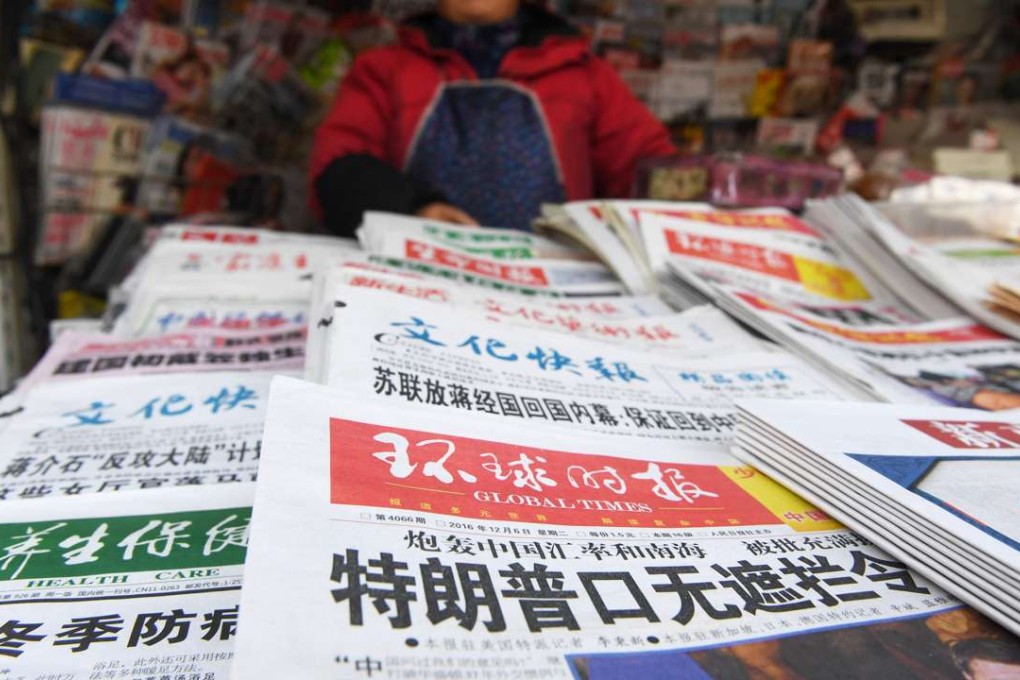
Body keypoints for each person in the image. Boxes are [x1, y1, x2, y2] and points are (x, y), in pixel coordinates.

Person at [310, 0, 675, 236]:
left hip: (555, 292)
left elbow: (647, 168)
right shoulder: (384, 69)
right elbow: (338, 165)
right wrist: (415, 209)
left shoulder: (584, 74)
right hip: (420, 281)